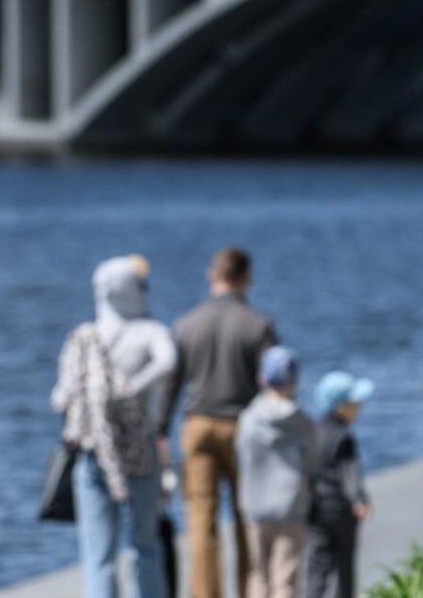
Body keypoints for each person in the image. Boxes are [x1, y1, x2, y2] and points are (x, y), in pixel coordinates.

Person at [51, 255, 177, 598]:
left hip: (93, 449)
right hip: (139, 449)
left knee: (98, 556)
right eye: (140, 285)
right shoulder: (150, 331)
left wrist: (96, 397)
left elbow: (60, 397)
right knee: (146, 545)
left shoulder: (83, 338)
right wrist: (131, 388)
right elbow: (169, 361)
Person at [162, 246, 278, 598]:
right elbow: (274, 383)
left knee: (200, 521)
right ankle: (249, 590)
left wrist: (159, 429)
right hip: (243, 429)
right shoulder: (258, 325)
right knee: (248, 519)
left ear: (211, 276)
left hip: (197, 426)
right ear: (246, 279)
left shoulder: (186, 324)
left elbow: (171, 383)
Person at [236, 346, 315, 598]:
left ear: (262, 379)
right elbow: (311, 462)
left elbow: (241, 458)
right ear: (294, 381)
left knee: (258, 573)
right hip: (290, 505)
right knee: (284, 579)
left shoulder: (248, 419)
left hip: (254, 505)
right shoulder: (302, 422)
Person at [305, 371, 374, 598]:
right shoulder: (344, 438)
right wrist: (359, 500)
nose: (359, 407)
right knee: (345, 567)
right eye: (355, 403)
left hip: (316, 509)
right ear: (341, 407)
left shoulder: (312, 432)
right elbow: (349, 472)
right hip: (341, 510)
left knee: (317, 566)